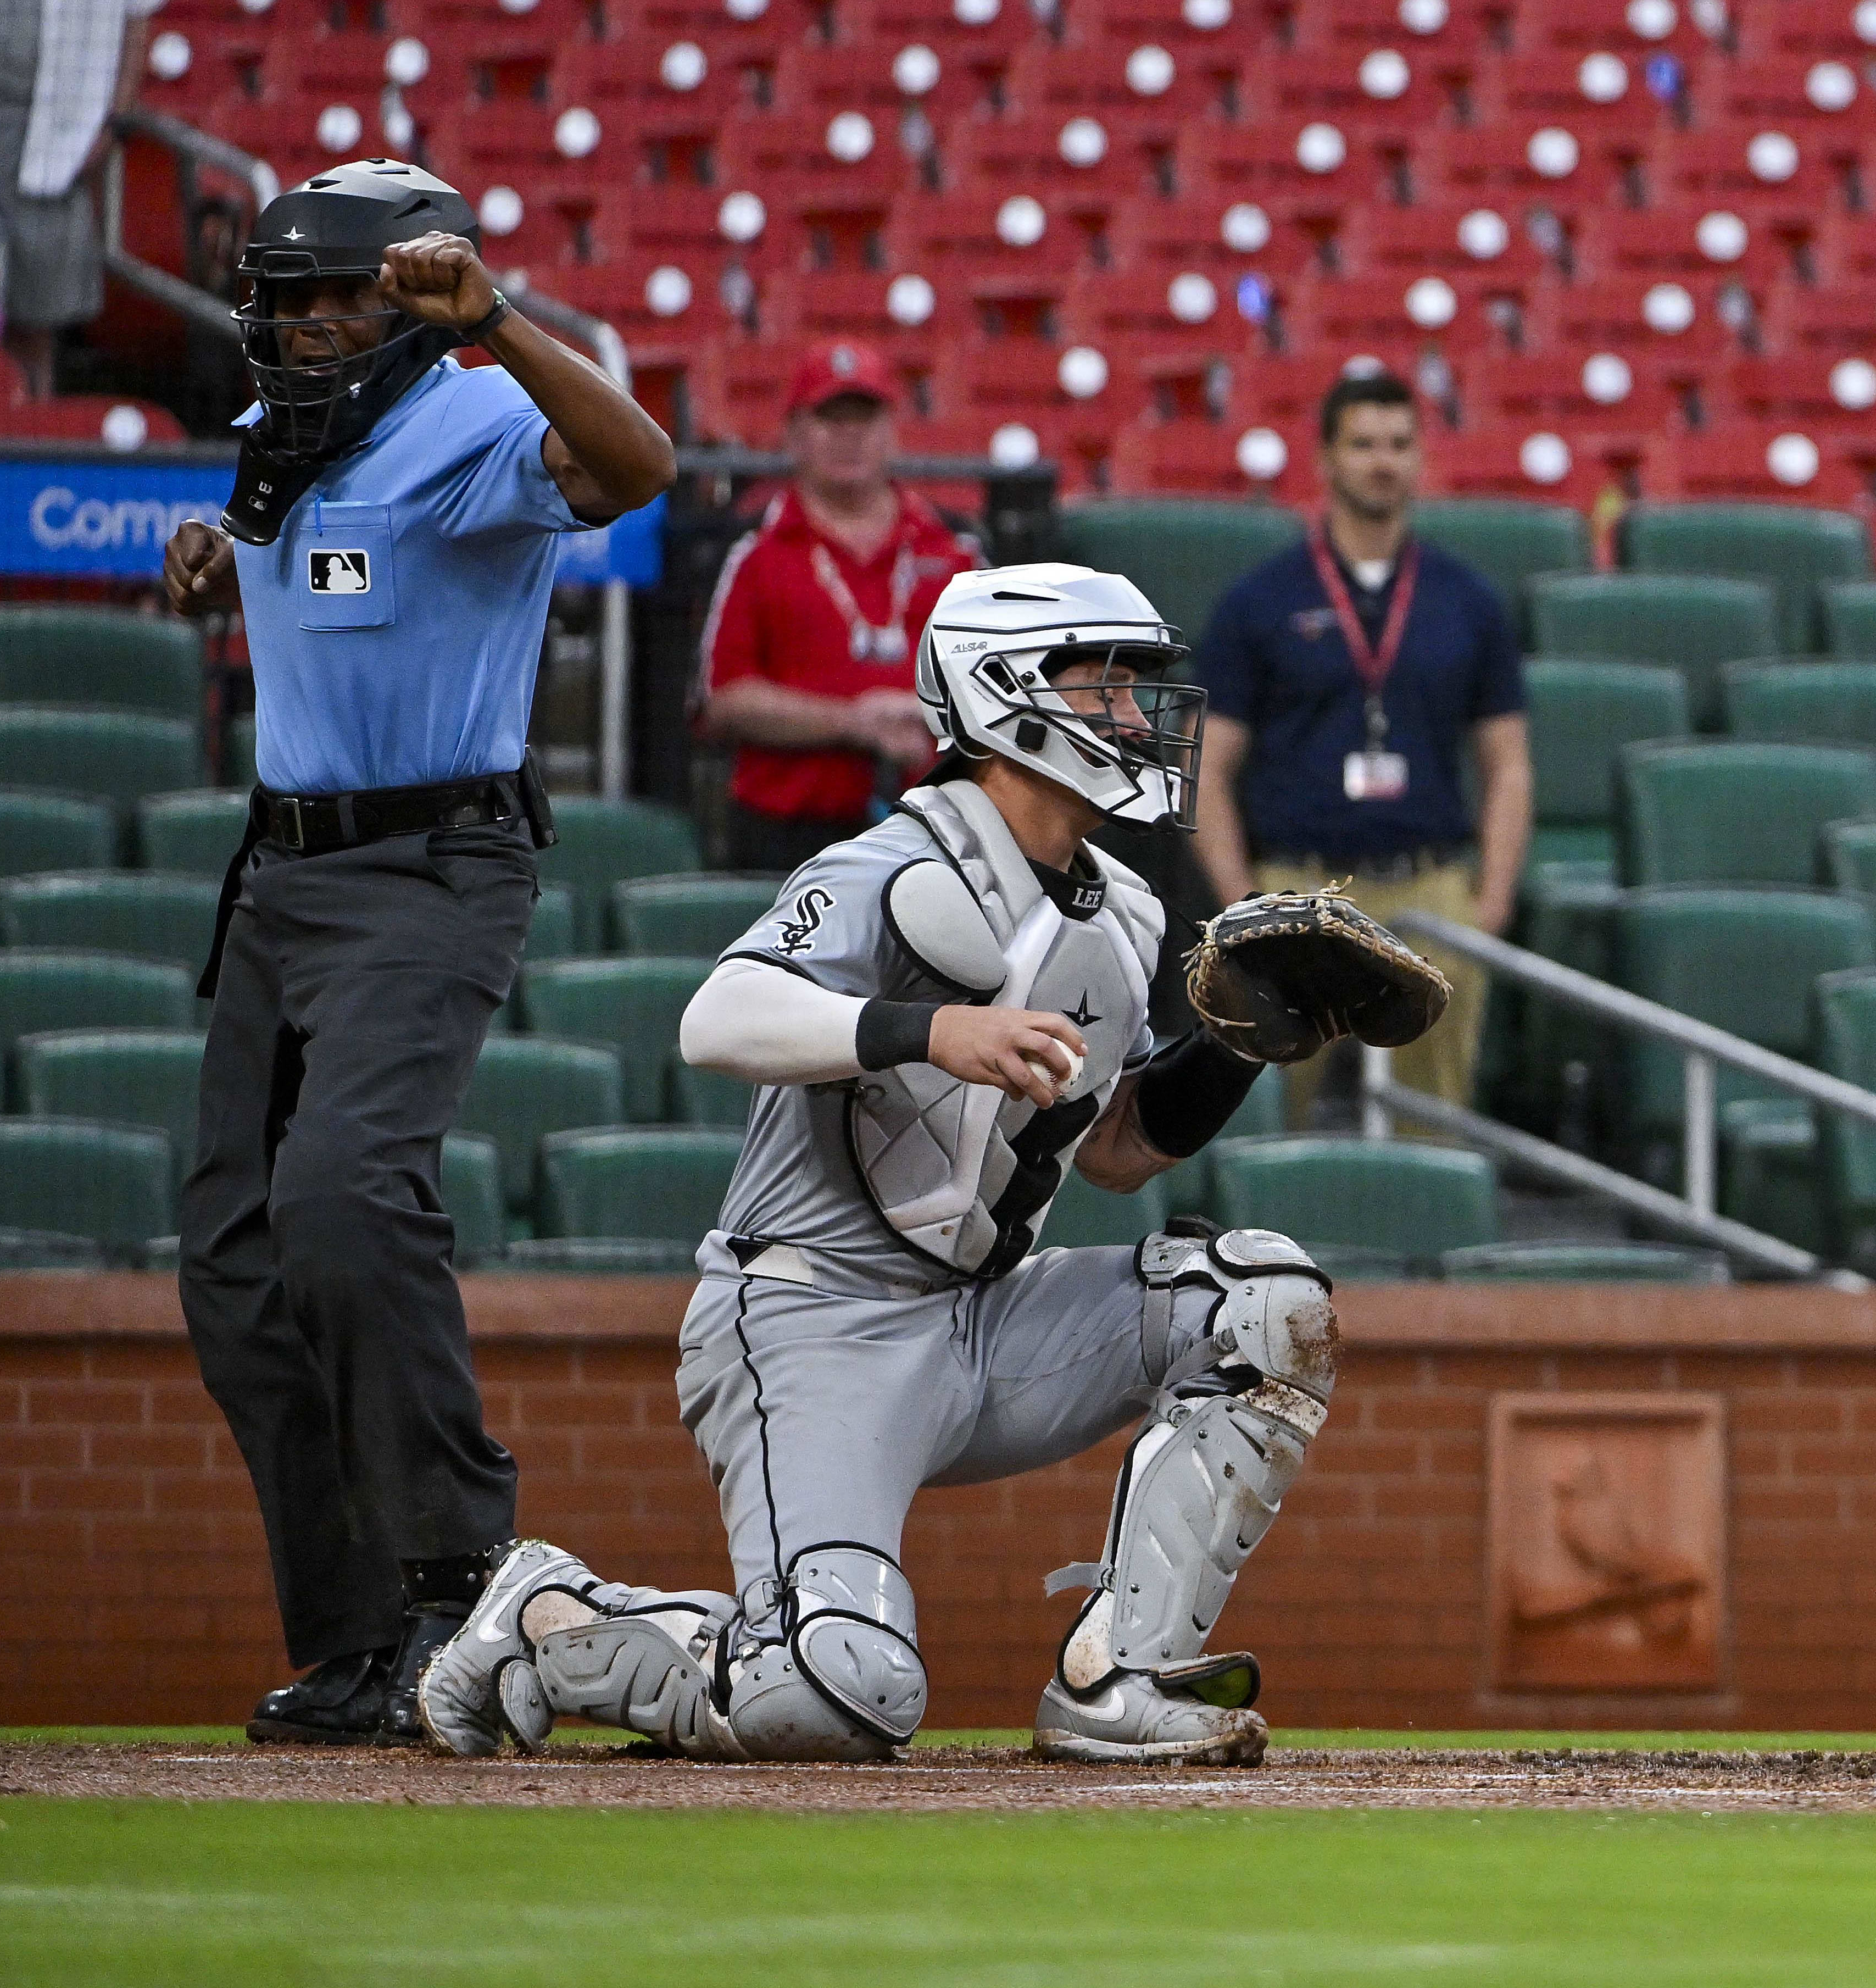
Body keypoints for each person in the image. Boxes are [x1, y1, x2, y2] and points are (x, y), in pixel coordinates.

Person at [413, 564, 1335, 1767]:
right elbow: (719, 1018)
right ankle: (549, 1618)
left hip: (983, 1318)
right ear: (1005, 696)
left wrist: (1239, 1048)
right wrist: (928, 1028)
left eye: (1137, 683)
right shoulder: (891, 862)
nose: (1134, 711)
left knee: (1268, 1307)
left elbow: (1111, 1152)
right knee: (836, 1695)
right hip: (809, 1313)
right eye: (1102, 680)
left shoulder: (1127, 910)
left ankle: (1121, 1682)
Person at [157, 158, 676, 1746]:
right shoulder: (270, 445)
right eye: (284, 298)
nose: (303, 326)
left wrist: (500, 324)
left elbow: (640, 463)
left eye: (333, 298)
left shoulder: (469, 418)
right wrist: (203, 557)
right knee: (236, 1257)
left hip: (436, 861)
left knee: (345, 1196)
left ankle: (465, 1575)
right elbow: (310, 573)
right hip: (283, 874)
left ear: (403, 299)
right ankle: (361, 1637)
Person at [1190, 369, 1529, 1119]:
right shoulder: (1262, 599)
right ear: (1326, 460)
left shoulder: (1468, 601)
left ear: (1421, 458)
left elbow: (1506, 764)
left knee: (1432, 1121)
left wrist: (1493, 899)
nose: (1383, 460)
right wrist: (1241, 898)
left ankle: (1430, 1238)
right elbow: (1207, 769)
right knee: (1271, 1113)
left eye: (1400, 444)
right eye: (1364, 444)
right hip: (1296, 885)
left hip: (1429, 888)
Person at [692, 341, 980, 874]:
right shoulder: (754, 550)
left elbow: (1000, 681)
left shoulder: (955, 547)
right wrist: (854, 723)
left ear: (893, 430)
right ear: (794, 433)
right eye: (830, 418)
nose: (850, 436)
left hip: (937, 826)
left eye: (865, 419)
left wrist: (922, 712)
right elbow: (724, 700)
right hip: (787, 833)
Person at [0, 0, 155, 392]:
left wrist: (115, 123)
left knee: (35, 322)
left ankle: (30, 425)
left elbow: (138, 21)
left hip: (58, 134)